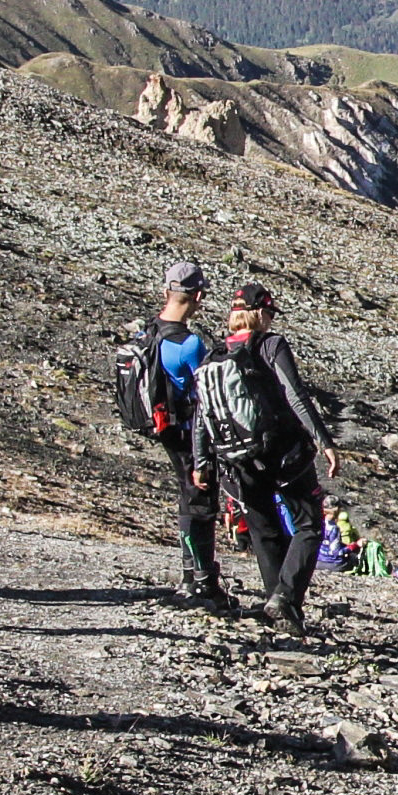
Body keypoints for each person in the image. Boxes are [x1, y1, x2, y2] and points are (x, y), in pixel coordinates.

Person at [195, 282, 337, 640]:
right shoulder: (271, 345)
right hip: (283, 453)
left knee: (265, 531)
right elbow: (295, 393)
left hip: (237, 459)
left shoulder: (215, 356)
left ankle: (280, 609)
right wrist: (324, 441)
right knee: (309, 524)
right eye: (270, 313)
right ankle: (286, 599)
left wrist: (201, 460)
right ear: (259, 312)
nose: (272, 320)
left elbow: (202, 413)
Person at [137, 261, 229, 609]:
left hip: (165, 429)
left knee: (187, 497)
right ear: (199, 296)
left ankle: (193, 574)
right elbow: (207, 395)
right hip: (190, 432)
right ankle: (202, 581)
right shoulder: (190, 344)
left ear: (166, 292)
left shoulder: (147, 333)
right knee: (201, 501)